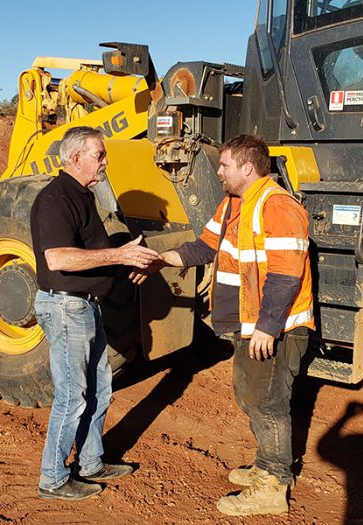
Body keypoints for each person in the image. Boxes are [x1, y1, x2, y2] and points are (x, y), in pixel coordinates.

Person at [136, 134, 314, 516]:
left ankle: (273, 484)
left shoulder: (277, 206)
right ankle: (267, 467)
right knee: (249, 396)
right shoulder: (235, 203)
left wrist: (268, 325)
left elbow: (286, 274)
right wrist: (161, 259)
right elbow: (205, 246)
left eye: (225, 165)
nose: (218, 171)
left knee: (268, 402)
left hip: (275, 328)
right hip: (248, 325)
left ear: (248, 168)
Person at [30, 126, 160, 501]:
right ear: (75, 159)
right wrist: (120, 255)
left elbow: (91, 249)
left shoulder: (82, 196)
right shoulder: (56, 199)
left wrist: (126, 252)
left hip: (86, 306)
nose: (105, 161)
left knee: (101, 387)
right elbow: (58, 257)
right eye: (99, 155)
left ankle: (91, 461)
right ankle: (52, 479)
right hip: (67, 307)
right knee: (72, 395)